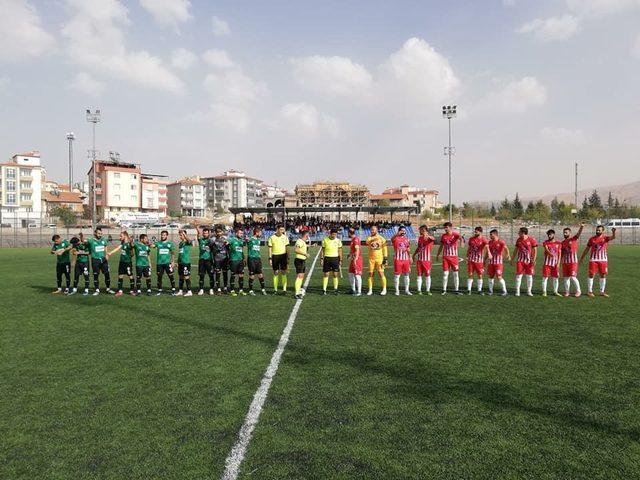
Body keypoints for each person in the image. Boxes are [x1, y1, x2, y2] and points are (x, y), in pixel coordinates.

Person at [580, 225, 616, 297]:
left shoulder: (605, 238)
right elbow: (587, 249)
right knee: (591, 274)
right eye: (597, 230)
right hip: (593, 259)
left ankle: (602, 291)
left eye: (599, 230)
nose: (597, 231)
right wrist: (582, 257)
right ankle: (590, 291)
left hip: (603, 260)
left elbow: (613, 237)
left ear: (602, 231)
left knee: (603, 275)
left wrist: (614, 232)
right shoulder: (592, 239)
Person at [436, 222, 463, 295]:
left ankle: (456, 290)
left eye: (446, 227)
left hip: (454, 257)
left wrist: (462, 242)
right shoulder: (443, 236)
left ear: (450, 227)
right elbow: (441, 246)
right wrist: (438, 254)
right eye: (444, 227)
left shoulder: (455, 234)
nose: (445, 229)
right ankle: (444, 290)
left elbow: (461, 237)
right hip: (446, 257)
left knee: (455, 274)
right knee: (445, 274)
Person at [87, 227, 114, 295]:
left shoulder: (103, 240)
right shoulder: (91, 240)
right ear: (95, 233)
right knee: (96, 275)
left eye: (101, 233)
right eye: (99, 233)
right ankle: (97, 290)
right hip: (95, 260)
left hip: (104, 260)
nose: (100, 235)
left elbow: (105, 246)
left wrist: (107, 254)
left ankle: (108, 289)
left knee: (107, 274)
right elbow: (84, 242)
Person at [512, 227, 538, 297]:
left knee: (529, 276)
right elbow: (515, 250)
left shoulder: (531, 240)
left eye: (519, 232)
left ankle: (529, 291)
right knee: (518, 276)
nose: (518, 233)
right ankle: (517, 291)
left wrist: (534, 260)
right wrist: (512, 259)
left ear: (523, 233)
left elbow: (535, 250)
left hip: (529, 261)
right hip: (520, 261)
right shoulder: (518, 240)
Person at [108, 231, 135, 297]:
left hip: (127, 263)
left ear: (125, 236)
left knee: (130, 276)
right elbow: (117, 248)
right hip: (121, 262)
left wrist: (131, 247)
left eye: (121, 236)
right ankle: (120, 291)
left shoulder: (129, 244)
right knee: (120, 276)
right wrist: (110, 253)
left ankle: (132, 291)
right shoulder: (122, 243)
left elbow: (132, 254)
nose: (119, 237)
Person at [561, 223, 584, 297]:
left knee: (573, 277)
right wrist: (559, 261)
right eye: (564, 232)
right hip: (565, 262)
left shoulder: (573, 239)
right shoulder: (562, 243)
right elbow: (562, 253)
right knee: (566, 278)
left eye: (566, 232)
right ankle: (567, 292)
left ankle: (578, 291)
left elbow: (579, 233)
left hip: (573, 262)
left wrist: (581, 227)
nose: (565, 234)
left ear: (570, 233)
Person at [466, 226, 491, 295]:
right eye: (475, 231)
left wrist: (489, 253)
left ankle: (479, 290)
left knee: (480, 275)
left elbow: (487, 246)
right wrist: (467, 257)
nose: (475, 232)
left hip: (479, 261)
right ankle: (469, 290)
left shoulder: (483, 239)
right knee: (470, 274)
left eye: (476, 231)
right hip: (471, 260)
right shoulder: (471, 239)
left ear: (480, 232)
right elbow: (469, 248)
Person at [365, 225, 388, 296]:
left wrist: (385, 258)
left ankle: (384, 289)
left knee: (381, 273)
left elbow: (385, 249)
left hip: (379, 259)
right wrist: (374, 238)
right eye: (371, 230)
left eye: (373, 230)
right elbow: (367, 242)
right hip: (371, 259)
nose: (372, 231)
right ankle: (370, 290)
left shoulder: (382, 238)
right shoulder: (369, 238)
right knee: (370, 274)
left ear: (377, 230)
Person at [413, 225, 435, 296]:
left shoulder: (429, 238)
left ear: (423, 230)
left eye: (420, 230)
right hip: (420, 260)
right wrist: (414, 255)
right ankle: (419, 290)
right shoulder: (420, 238)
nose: (419, 231)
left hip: (427, 260)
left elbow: (433, 239)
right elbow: (419, 247)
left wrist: (428, 235)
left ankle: (428, 290)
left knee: (427, 275)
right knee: (419, 275)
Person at [487, 229, 510, 296]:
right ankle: (490, 291)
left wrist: (508, 255)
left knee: (499, 276)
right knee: (490, 277)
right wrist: (485, 259)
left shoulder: (501, 242)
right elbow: (488, 252)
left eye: (491, 234)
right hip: (491, 263)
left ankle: (505, 291)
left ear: (495, 234)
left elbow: (506, 248)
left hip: (498, 263)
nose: (490, 236)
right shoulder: (490, 242)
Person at [153, 230, 176, 296]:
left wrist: (173, 261)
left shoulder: (170, 243)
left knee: (171, 276)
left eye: (164, 235)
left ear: (167, 236)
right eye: (162, 235)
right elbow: (153, 246)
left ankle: (173, 290)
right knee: (159, 277)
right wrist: (150, 243)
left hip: (167, 263)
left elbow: (172, 253)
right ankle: (159, 290)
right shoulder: (158, 243)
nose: (163, 236)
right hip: (159, 263)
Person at [268, 224, 290, 295]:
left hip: (283, 256)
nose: (282, 231)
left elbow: (287, 248)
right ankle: (275, 290)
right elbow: (270, 248)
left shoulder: (285, 237)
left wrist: (288, 257)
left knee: (283, 272)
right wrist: (270, 258)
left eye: (283, 230)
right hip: (275, 256)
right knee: (276, 272)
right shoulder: (271, 237)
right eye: (281, 230)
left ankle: (284, 290)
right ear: (277, 229)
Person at [391, 226, 413, 296]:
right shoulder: (396, 238)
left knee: (407, 275)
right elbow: (392, 239)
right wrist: (397, 234)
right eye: (402, 230)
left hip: (406, 260)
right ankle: (397, 291)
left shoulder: (407, 239)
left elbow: (408, 249)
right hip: (398, 259)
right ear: (399, 231)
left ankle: (407, 290)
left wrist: (410, 257)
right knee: (397, 275)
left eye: (404, 230)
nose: (403, 232)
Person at [321, 228, 343, 295]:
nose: (334, 235)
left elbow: (340, 250)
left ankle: (335, 289)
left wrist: (340, 260)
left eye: (335, 234)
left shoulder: (338, 241)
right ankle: (324, 290)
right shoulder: (325, 240)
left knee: (335, 274)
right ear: (330, 233)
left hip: (335, 259)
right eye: (333, 234)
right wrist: (322, 259)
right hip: (327, 258)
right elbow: (322, 250)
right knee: (326, 274)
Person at [247, 227, 267, 295]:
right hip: (251, 259)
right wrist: (247, 239)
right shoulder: (250, 239)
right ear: (257, 232)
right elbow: (247, 240)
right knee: (252, 275)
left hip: (258, 259)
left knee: (260, 274)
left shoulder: (258, 240)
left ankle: (263, 289)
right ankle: (250, 290)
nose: (261, 234)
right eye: (260, 232)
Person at [542, 229, 562, 297]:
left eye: (550, 234)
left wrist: (559, 263)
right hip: (547, 263)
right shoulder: (545, 242)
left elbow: (559, 253)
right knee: (545, 277)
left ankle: (555, 291)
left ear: (554, 234)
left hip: (555, 263)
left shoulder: (558, 243)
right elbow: (547, 250)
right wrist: (550, 254)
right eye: (548, 234)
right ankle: (544, 292)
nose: (549, 236)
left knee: (556, 278)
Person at [196, 226, 215, 296]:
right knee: (201, 276)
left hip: (209, 260)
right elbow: (198, 234)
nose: (205, 234)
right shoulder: (201, 240)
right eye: (204, 233)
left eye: (206, 233)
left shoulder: (211, 241)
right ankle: (201, 289)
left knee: (211, 275)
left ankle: (211, 289)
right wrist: (197, 228)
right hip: (201, 260)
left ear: (208, 234)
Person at [228, 228, 247, 296]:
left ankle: (241, 290)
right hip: (233, 260)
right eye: (240, 233)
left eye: (242, 233)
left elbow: (241, 250)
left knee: (241, 275)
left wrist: (244, 258)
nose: (241, 234)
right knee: (233, 275)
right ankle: (232, 290)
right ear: (236, 233)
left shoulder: (241, 241)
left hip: (240, 260)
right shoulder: (232, 239)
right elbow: (227, 243)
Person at [212, 226, 230, 294]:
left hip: (225, 259)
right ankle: (218, 288)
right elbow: (210, 249)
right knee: (218, 274)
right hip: (217, 260)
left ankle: (225, 288)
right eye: (217, 232)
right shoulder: (213, 239)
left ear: (222, 232)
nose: (219, 233)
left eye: (220, 232)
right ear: (215, 232)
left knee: (225, 273)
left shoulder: (226, 239)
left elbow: (229, 248)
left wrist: (228, 244)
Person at [176, 229, 193, 297]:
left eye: (181, 235)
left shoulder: (187, 242)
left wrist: (185, 234)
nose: (180, 236)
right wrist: (178, 262)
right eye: (180, 235)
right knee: (181, 277)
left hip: (186, 262)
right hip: (180, 262)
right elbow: (180, 253)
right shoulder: (181, 243)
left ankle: (189, 291)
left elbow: (189, 240)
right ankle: (180, 291)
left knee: (186, 277)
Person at [294, 231, 310, 299]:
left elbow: (304, 246)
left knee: (302, 276)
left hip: (302, 260)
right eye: (307, 236)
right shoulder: (299, 241)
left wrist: (311, 246)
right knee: (299, 276)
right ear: (305, 235)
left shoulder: (302, 242)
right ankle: (297, 293)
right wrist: (305, 254)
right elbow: (296, 249)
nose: (308, 237)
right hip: (299, 260)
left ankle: (299, 290)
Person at [348, 228, 363, 296]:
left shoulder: (356, 239)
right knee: (351, 273)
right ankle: (353, 289)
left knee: (357, 275)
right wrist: (349, 254)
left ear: (350, 233)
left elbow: (357, 250)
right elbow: (353, 249)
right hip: (353, 258)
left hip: (357, 259)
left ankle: (359, 291)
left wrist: (355, 259)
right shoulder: (352, 240)